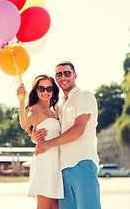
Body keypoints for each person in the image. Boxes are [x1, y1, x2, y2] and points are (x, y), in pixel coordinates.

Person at [35, 61, 101, 209]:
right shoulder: (60, 105)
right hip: (63, 168)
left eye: (67, 73)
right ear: (56, 79)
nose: (63, 77)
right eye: (59, 74)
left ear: (75, 75)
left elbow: (78, 129)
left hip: (83, 162)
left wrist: (48, 145)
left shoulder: (84, 95)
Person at [17, 74, 64, 209]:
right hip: (46, 161)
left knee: (56, 207)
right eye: (41, 88)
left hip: (57, 162)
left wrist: (34, 137)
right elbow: (25, 124)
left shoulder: (54, 110)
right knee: (44, 206)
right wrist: (21, 100)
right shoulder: (36, 109)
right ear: (36, 90)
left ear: (54, 91)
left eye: (49, 88)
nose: (45, 92)